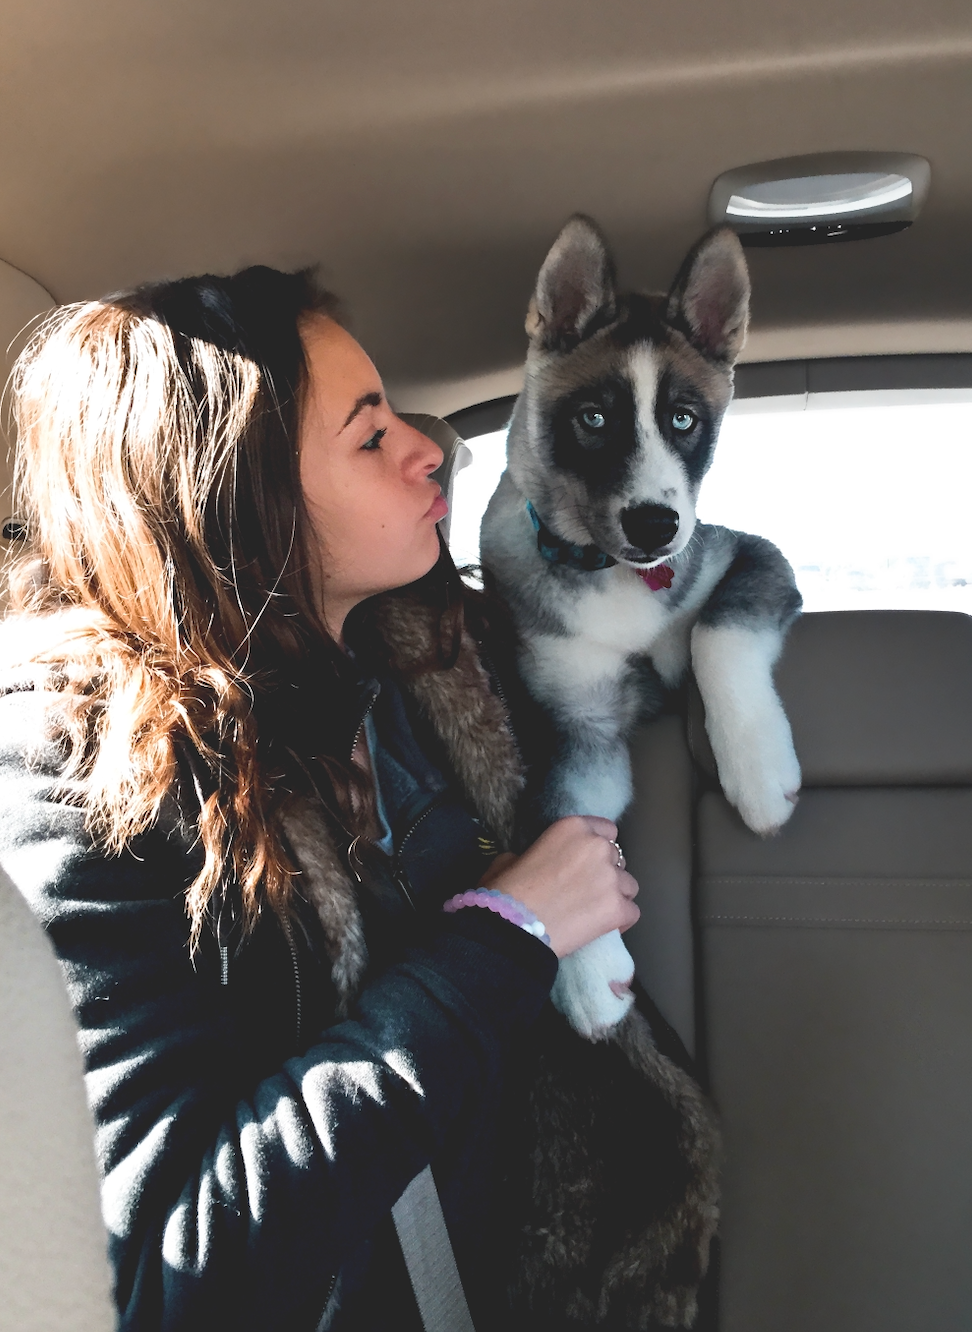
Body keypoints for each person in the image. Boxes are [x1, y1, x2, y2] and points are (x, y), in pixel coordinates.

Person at [0, 266, 718, 1331]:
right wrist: (506, 933)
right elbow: (168, 1274)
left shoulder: (426, 668)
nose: (430, 446)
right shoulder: (82, 776)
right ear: (239, 496)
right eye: (371, 434)